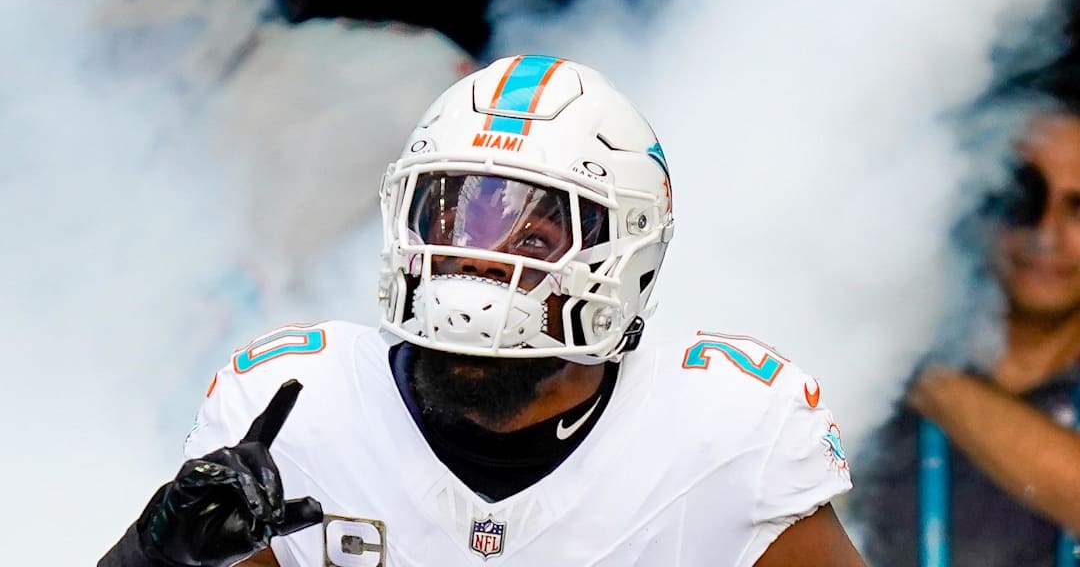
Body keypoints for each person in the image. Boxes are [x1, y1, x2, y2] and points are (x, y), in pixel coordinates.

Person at [99, 54, 865, 566]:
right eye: (451, 218)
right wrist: (155, 556)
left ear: (623, 253)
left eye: (531, 233)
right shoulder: (300, 409)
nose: (476, 259)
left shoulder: (724, 432)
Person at [847, 78, 1080, 567]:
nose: (1046, 236)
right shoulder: (865, 378)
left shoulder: (900, 359)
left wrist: (927, 375)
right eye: (1024, 197)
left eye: (1079, 209)